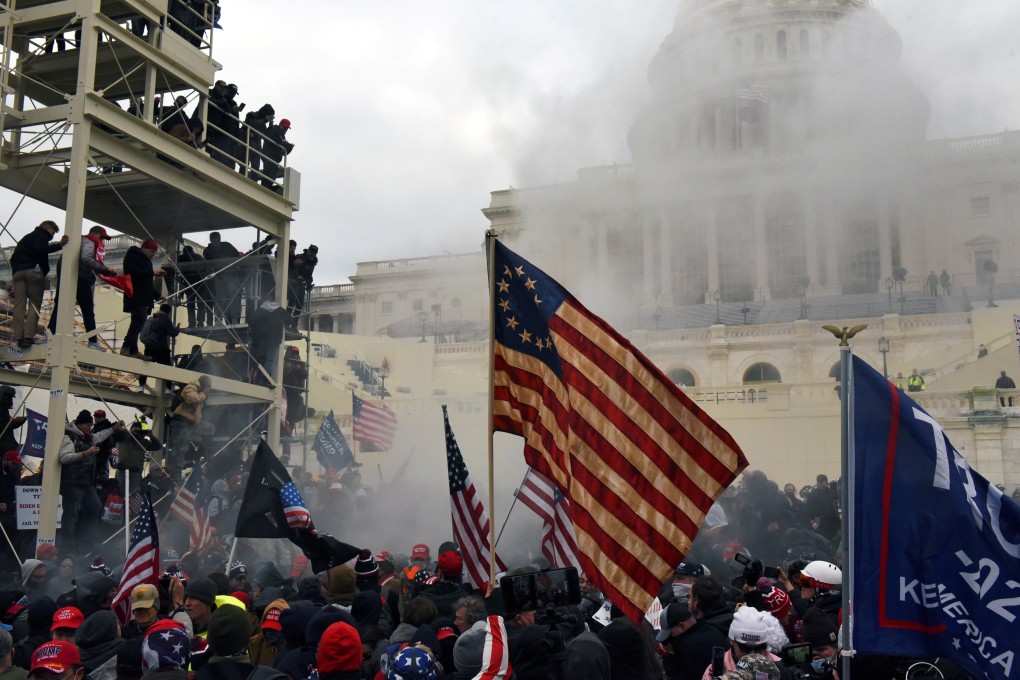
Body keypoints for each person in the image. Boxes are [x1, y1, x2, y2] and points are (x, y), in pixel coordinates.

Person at [57, 410, 123, 556]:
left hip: (86, 483)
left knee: (96, 507)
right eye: (88, 424)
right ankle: (67, 548)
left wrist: (113, 429)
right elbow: (64, 458)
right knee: (70, 514)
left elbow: (100, 435)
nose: (90, 427)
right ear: (80, 424)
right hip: (72, 483)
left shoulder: (88, 437)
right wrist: (85, 453)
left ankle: (86, 540)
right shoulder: (70, 437)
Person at [48, 226, 117, 350]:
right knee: (88, 310)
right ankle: (93, 340)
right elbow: (86, 258)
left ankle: (49, 334)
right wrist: (105, 270)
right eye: (102, 237)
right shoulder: (90, 242)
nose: (102, 241)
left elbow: (61, 262)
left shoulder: (76, 241)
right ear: (95, 234)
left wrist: (62, 276)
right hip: (81, 278)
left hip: (67, 276)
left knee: (59, 306)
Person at [10, 220, 69, 348]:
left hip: (18, 273)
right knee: (34, 304)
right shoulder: (42, 235)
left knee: (19, 305)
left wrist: (17, 269)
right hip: (33, 272)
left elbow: (12, 258)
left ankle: (19, 337)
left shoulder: (26, 238)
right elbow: (40, 249)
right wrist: (59, 245)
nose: (51, 236)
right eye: (52, 233)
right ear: (46, 228)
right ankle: (27, 337)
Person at [121, 239, 166, 360]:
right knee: (139, 319)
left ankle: (132, 349)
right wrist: (152, 272)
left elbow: (147, 283)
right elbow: (133, 272)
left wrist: (157, 295)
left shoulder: (147, 261)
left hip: (142, 297)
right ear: (144, 249)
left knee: (138, 322)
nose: (153, 254)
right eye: (152, 251)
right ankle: (126, 347)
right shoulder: (132, 256)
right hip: (135, 295)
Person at [138, 304, 180, 394]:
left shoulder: (151, 318)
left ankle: (141, 386)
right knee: (167, 369)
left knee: (146, 368)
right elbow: (172, 333)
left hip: (149, 348)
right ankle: (168, 388)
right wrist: (177, 329)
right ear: (168, 312)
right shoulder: (166, 320)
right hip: (162, 349)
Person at [203, 232, 242, 326]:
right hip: (219, 277)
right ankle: (218, 320)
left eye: (216, 239)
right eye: (213, 240)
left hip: (230, 275)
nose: (215, 242)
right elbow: (206, 265)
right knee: (221, 299)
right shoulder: (208, 250)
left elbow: (237, 257)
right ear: (211, 240)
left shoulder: (226, 246)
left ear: (219, 239)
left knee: (233, 298)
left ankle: (234, 320)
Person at [261, 118, 293, 191]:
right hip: (269, 155)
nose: (285, 129)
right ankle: (266, 188)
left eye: (287, 128)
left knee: (272, 173)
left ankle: (267, 187)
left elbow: (285, 153)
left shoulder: (281, 134)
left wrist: (290, 147)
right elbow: (270, 137)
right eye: (285, 127)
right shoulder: (274, 129)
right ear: (281, 125)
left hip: (274, 158)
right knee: (269, 172)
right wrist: (281, 141)